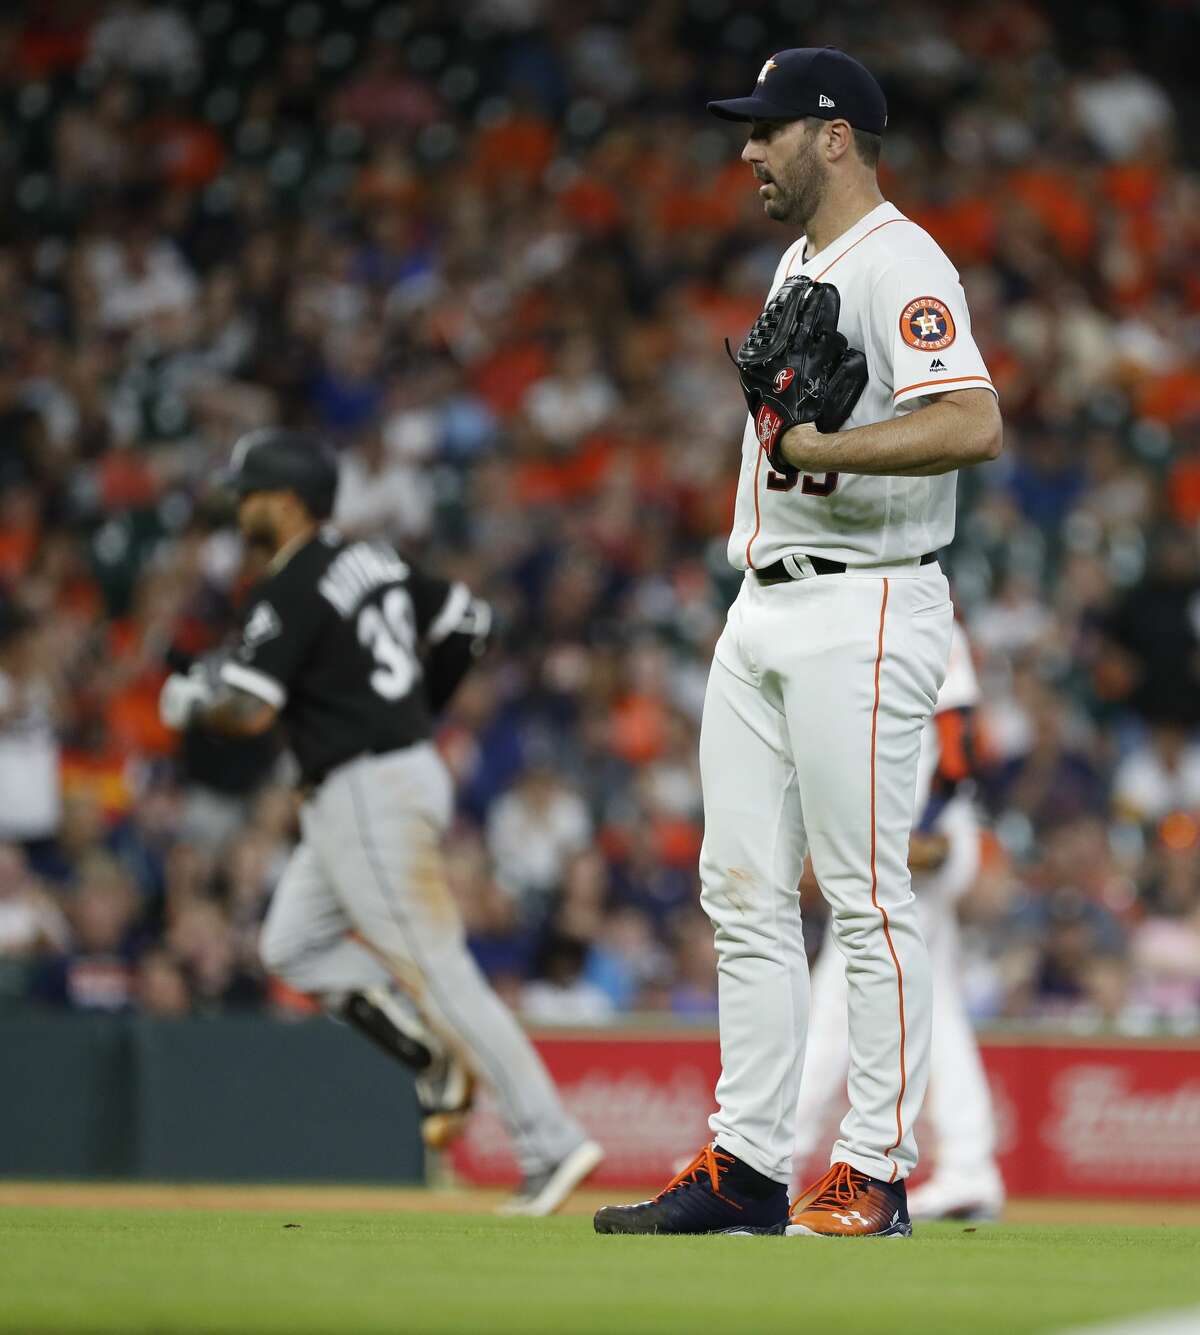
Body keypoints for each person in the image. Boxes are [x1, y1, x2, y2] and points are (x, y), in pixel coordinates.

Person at [595, 47, 1001, 1237]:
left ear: (834, 135)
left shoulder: (903, 261)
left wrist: (830, 450)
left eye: (768, 128)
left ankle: (873, 1170)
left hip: (866, 599)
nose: (747, 149)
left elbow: (971, 419)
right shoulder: (796, 259)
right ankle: (748, 1166)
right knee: (745, 892)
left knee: (866, 901)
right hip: (764, 602)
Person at [158, 428, 602, 1215]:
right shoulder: (377, 559)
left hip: (366, 789)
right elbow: (471, 620)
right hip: (381, 781)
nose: (240, 505)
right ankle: (429, 1052)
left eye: (250, 492)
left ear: (287, 501)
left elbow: (251, 708)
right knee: (290, 944)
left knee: (439, 970)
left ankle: (550, 1140)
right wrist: (417, 708)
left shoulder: (289, 584)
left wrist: (197, 700)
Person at [793, 622, 1005, 1221]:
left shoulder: (927, 620)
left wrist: (929, 827)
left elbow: (959, 738)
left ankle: (773, 1155)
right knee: (931, 999)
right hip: (895, 834)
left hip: (923, 836)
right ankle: (970, 1164)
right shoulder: (872, 620)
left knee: (838, 997)